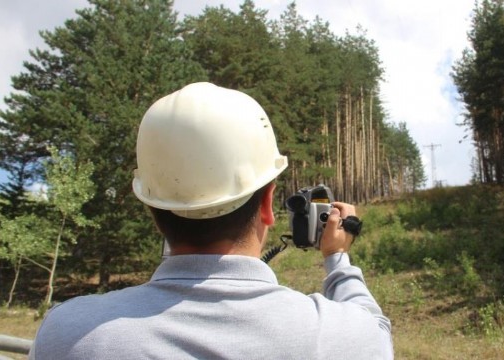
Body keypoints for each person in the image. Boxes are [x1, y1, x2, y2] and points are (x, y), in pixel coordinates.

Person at [29, 82, 393, 359]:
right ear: (267, 204)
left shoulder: (66, 334)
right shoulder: (334, 336)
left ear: (153, 210)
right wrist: (337, 259)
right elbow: (376, 330)